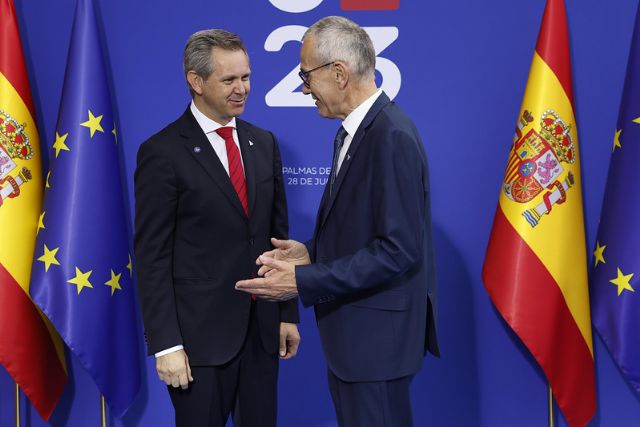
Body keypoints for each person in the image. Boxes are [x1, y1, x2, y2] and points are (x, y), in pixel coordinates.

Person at [236, 16, 439, 427]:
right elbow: (364, 228)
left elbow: (397, 250)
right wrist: (309, 252)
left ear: (340, 73)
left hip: (376, 346)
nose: (304, 87)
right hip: (358, 342)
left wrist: (302, 281)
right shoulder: (355, 132)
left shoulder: (390, 136)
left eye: (305, 74)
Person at [134, 29, 300, 427]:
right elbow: (151, 256)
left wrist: (286, 314)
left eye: (246, 77)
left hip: (261, 335)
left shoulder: (264, 143)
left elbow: (279, 239)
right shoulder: (163, 152)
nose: (242, 88)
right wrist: (166, 344)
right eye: (229, 80)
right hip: (197, 345)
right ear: (196, 81)